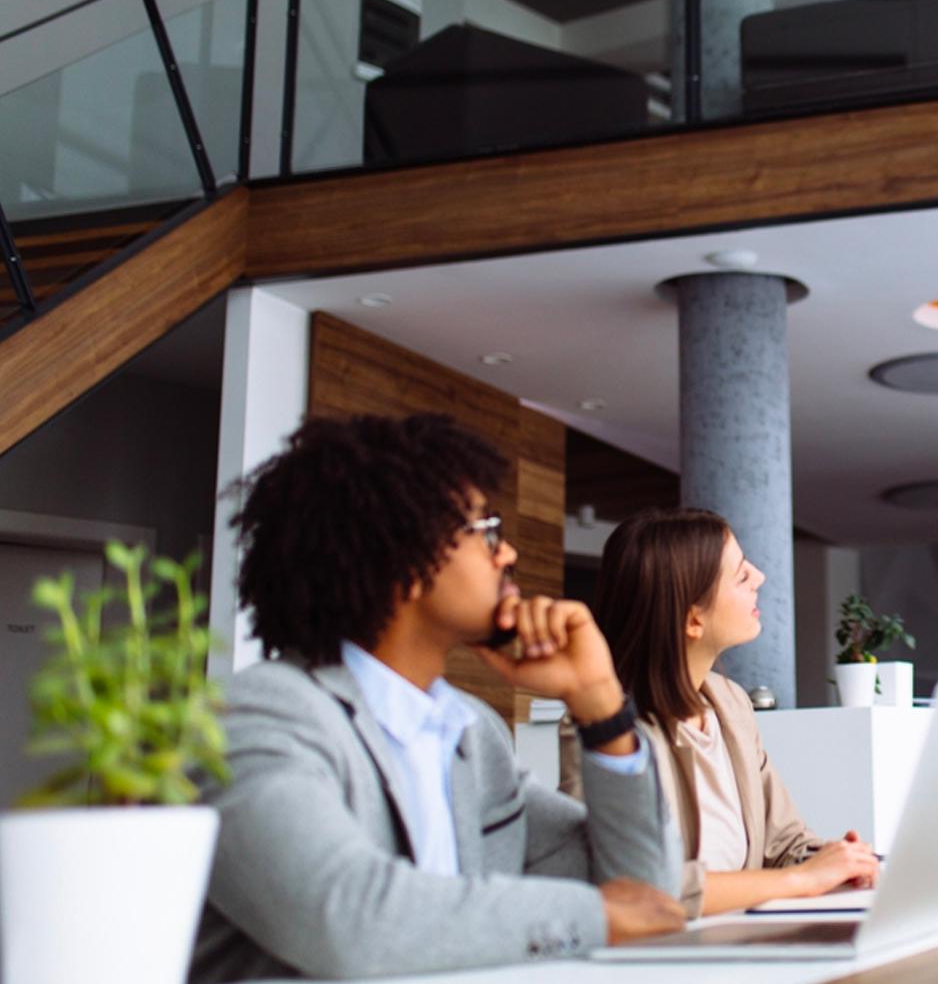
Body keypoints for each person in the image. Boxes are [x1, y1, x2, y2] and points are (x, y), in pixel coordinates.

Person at [191, 415, 685, 982]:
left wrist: (599, 704)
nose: (508, 555)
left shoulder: (471, 732)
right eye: (487, 531)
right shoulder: (259, 714)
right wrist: (598, 916)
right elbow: (345, 918)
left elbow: (647, 892)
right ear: (404, 552)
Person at [594, 508, 880, 917]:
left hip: (740, 941)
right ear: (694, 619)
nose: (761, 578)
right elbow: (637, 889)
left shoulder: (730, 704)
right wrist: (803, 879)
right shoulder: (604, 732)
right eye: (742, 575)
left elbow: (784, 843)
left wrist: (844, 862)